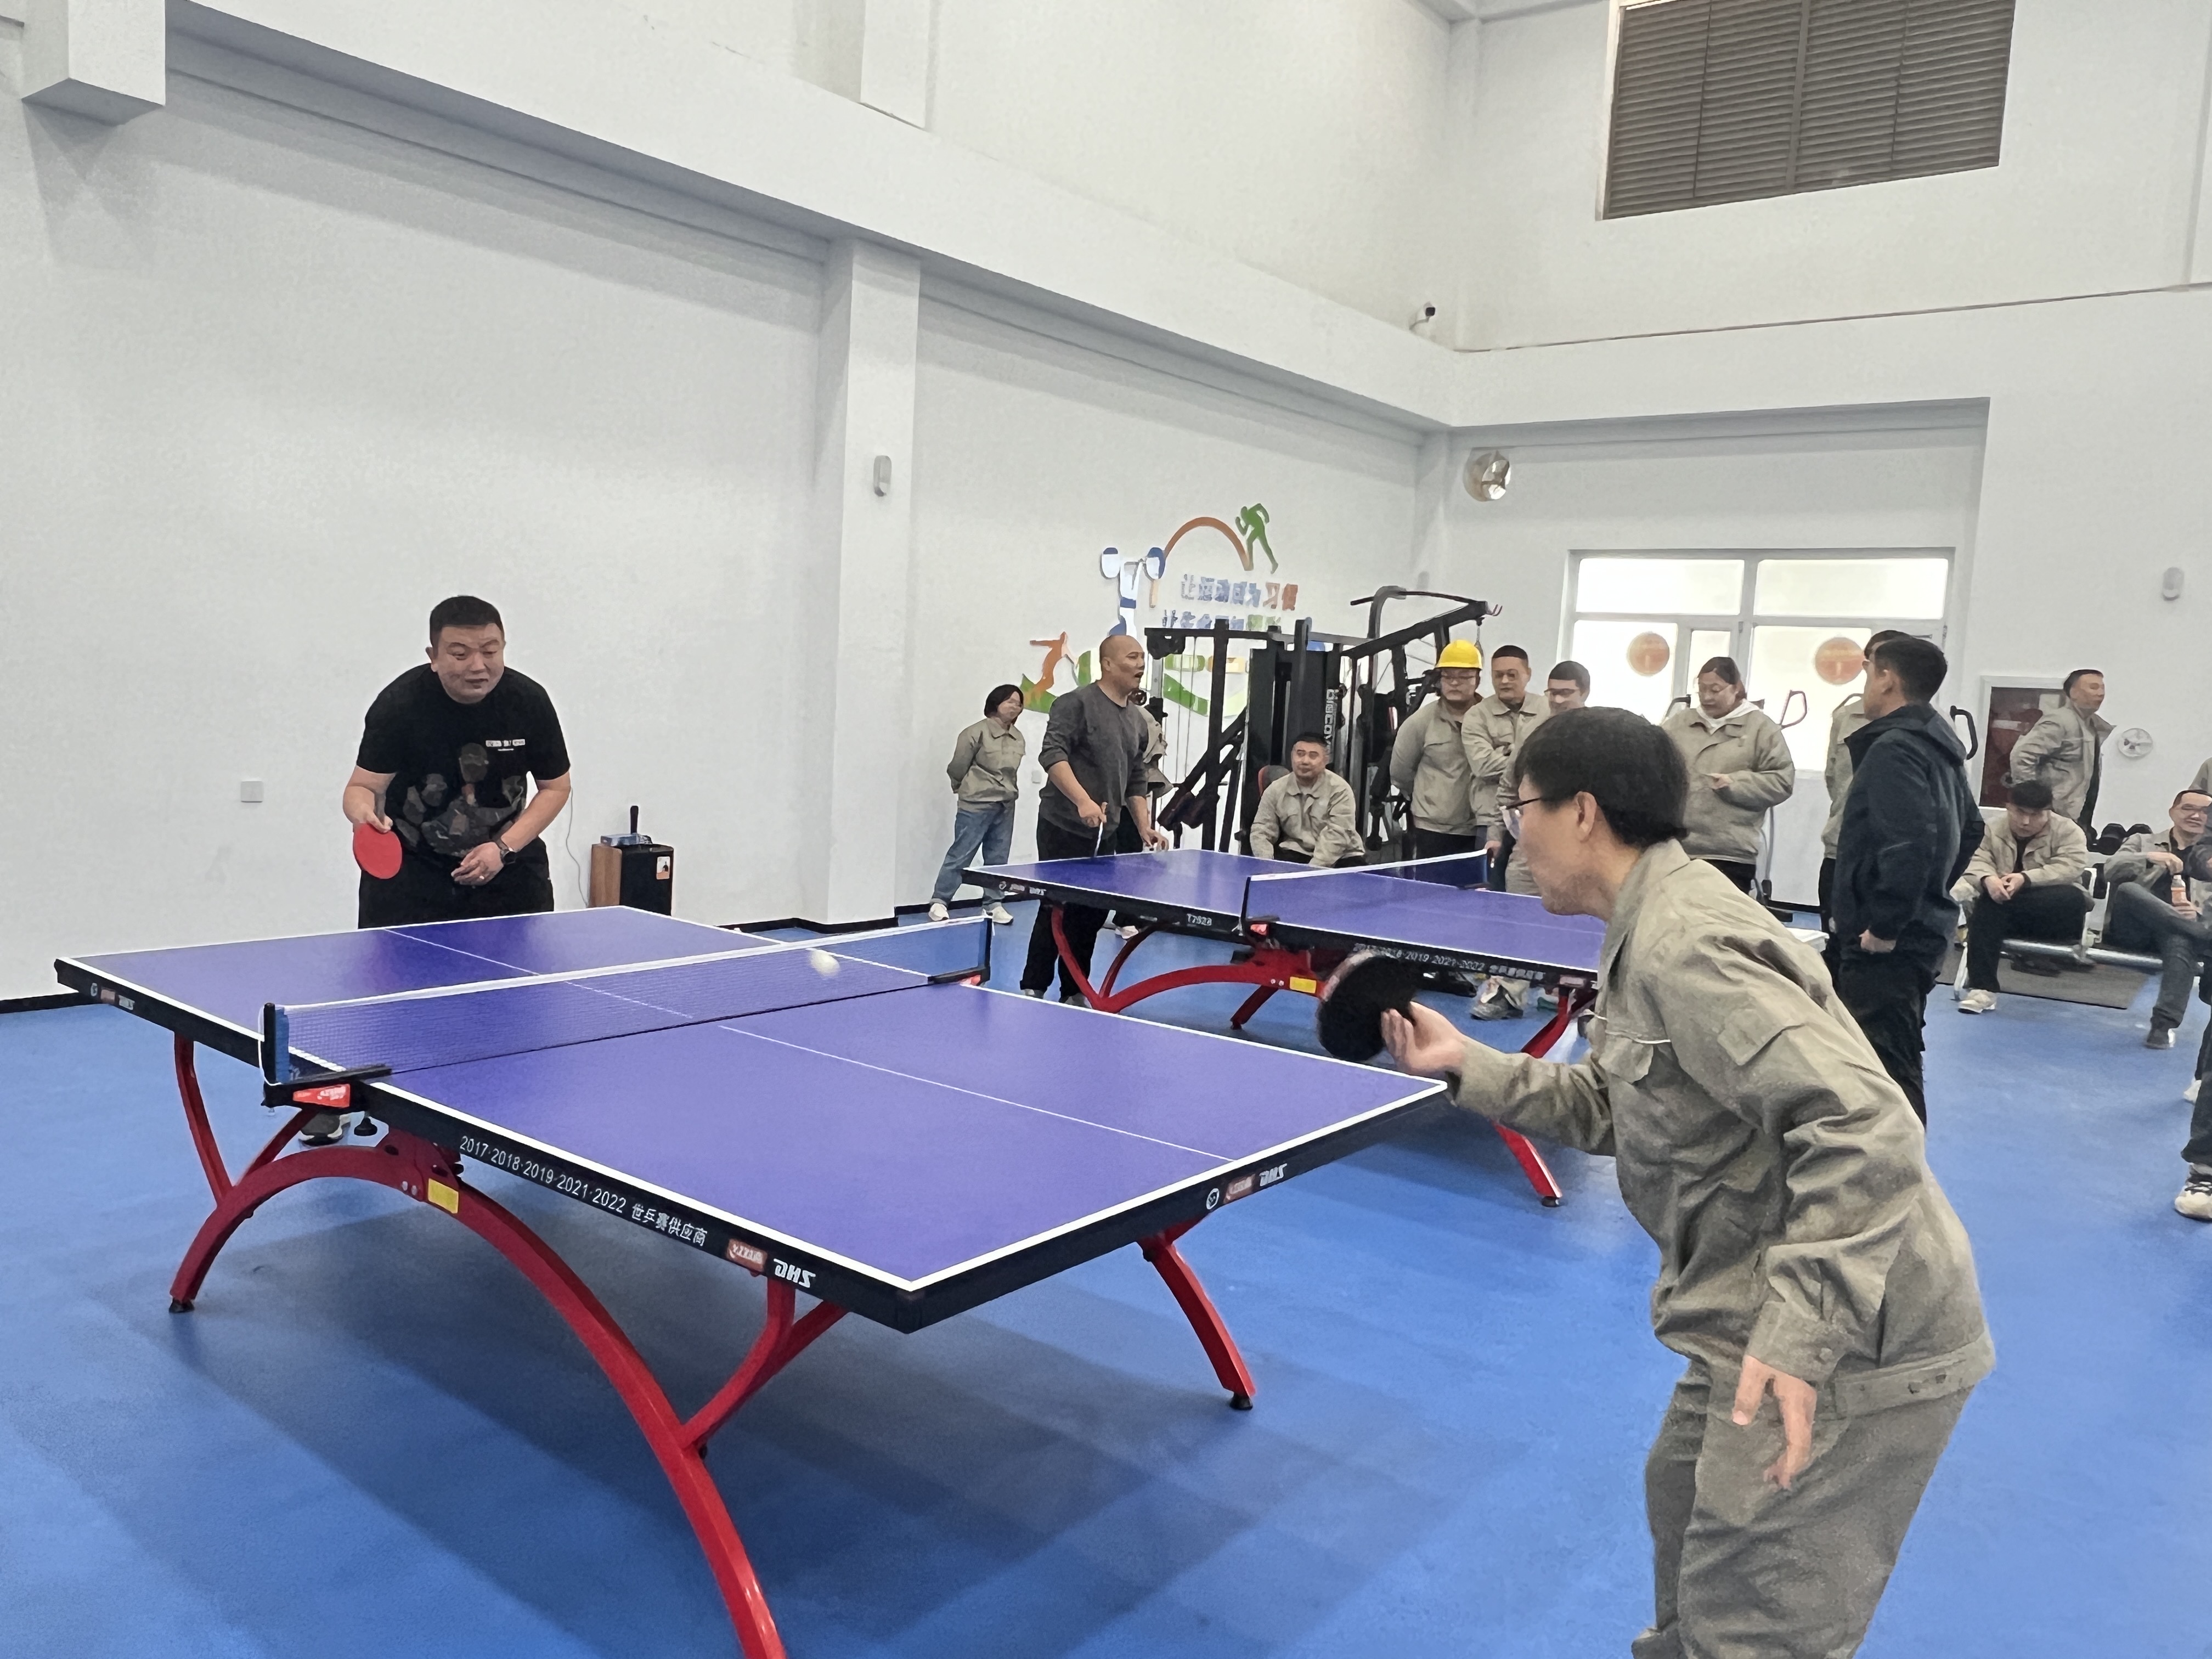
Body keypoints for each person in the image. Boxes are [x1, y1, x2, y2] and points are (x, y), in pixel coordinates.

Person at [1383, 706, 1990, 1659]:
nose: (1513, 833)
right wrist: (1469, 1061)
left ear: (1582, 812)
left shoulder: (1685, 943)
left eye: (1521, 808)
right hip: (1741, 1314)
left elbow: (1865, 1126)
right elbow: (1621, 1103)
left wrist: (1801, 1337)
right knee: (1680, 1501)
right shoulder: (1644, 922)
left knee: (1752, 1623)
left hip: (1851, 1337)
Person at [340, 595, 573, 1147]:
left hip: (508, 868)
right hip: (413, 873)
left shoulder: (528, 701)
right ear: (433, 656)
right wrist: (363, 814)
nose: (478, 665)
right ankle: (363, 1098)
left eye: (490, 650)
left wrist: (503, 848)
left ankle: (511, 1109)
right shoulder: (400, 705)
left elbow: (556, 788)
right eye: (461, 652)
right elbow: (361, 787)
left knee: (515, 1000)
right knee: (398, 1003)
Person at [1832, 636, 1982, 1125]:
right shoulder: (1940, 746)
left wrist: (1886, 924)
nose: (1864, 685)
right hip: (1923, 929)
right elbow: (1972, 829)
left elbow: (1909, 844)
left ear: (1886, 679)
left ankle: (1903, 1168)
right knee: (1888, 1057)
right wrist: (1932, 889)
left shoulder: (1895, 748)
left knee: (1885, 1070)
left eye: (1867, 672)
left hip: (1889, 942)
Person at [1020, 633, 1168, 1002]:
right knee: (1055, 906)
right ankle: (1034, 985)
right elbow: (1052, 755)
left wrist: (1144, 825)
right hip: (1063, 826)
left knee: (1090, 913)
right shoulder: (1075, 704)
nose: (1140, 665)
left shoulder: (1137, 720)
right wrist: (1083, 801)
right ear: (1107, 663)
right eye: (1132, 657)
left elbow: (1136, 777)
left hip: (1107, 831)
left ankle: (1074, 990)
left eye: (1142, 658)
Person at [1951, 780, 2090, 1017]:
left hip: (2057, 917)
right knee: (1991, 899)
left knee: (2073, 896)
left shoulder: (2069, 831)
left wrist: (2025, 879)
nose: (2026, 822)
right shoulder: (1991, 829)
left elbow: (2071, 867)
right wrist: (1988, 879)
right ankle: (1983, 989)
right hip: (2006, 913)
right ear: (2008, 807)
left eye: (2035, 815)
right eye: (2020, 813)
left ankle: (1982, 988)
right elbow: (1975, 859)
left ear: (2049, 811)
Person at [1660, 657, 1795, 894]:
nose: (1707, 697)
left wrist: (1736, 784)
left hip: (1729, 852)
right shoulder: (1678, 724)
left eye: (1715, 690)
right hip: (1676, 848)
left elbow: (1782, 781)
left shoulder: (1761, 729)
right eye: (1702, 689)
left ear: (1736, 689)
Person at [1819, 631, 1906, 974]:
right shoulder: (1846, 718)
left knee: (1881, 962)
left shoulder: (1927, 723)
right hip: (1840, 848)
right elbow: (1833, 777)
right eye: (1872, 663)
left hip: (1889, 856)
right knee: (1834, 945)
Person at [2100, 788, 2212, 1048]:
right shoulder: (2143, 841)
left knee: (2180, 938)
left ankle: (2163, 1026)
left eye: (2204, 812)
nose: (2196, 816)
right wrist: (2149, 857)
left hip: (2176, 934)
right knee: (2129, 890)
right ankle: (2196, 932)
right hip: (2134, 927)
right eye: (2188, 808)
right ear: (2173, 812)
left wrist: (2198, 914)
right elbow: (2110, 870)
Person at [928, 684, 1025, 926]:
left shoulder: (1018, 737)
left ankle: (993, 904)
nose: (1015, 706)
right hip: (976, 803)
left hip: (1006, 804)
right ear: (996, 703)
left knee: (998, 857)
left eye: (1019, 703)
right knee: (962, 853)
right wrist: (964, 788)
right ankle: (940, 901)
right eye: (1010, 701)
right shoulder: (974, 733)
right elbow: (957, 767)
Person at [1389, 639, 1486, 861]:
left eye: (1464, 677)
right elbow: (1400, 773)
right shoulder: (1420, 723)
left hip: (1483, 828)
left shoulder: (1492, 719)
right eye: (1448, 676)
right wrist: (1432, 801)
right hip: (1434, 831)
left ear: (1478, 680)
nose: (1455, 683)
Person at [1463, 644, 1546, 891]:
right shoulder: (1477, 716)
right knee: (1490, 892)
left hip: (1536, 821)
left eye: (1512, 674)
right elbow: (1483, 766)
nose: (1505, 681)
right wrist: (1527, 758)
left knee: (1532, 891)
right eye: (1498, 675)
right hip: (1491, 821)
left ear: (1528, 674)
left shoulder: (1547, 710)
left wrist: (1506, 752)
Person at [2006, 669, 2112, 830]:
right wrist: (2034, 803)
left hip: (2076, 813)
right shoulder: (2059, 721)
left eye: (2102, 688)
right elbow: (2022, 757)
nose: (2101, 693)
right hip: (2053, 815)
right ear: (2073, 693)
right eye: (2093, 687)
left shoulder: (2091, 725)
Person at [1249, 732, 1361, 866]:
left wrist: (1312, 871)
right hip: (1296, 853)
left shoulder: (1340, 790)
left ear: (1326, 760)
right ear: (1292, 756)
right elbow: (1261, 830)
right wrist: (1267, 865)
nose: (1305, 761)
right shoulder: (1275, 789)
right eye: (1300, 754)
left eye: (1313, 755)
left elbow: (1338, 836)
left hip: (1341, 856)